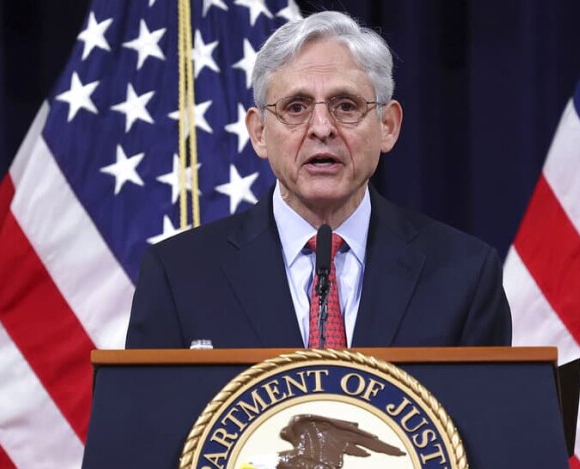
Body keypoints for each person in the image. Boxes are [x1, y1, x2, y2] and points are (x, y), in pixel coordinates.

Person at [125, 10, 511, 349]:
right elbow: (142, 429)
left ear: (388, 126)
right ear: (259, 133)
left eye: (346, 106)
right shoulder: (178, 278)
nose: (322, 128)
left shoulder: (465, 276)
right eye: (296, 107)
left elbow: (491, 427)